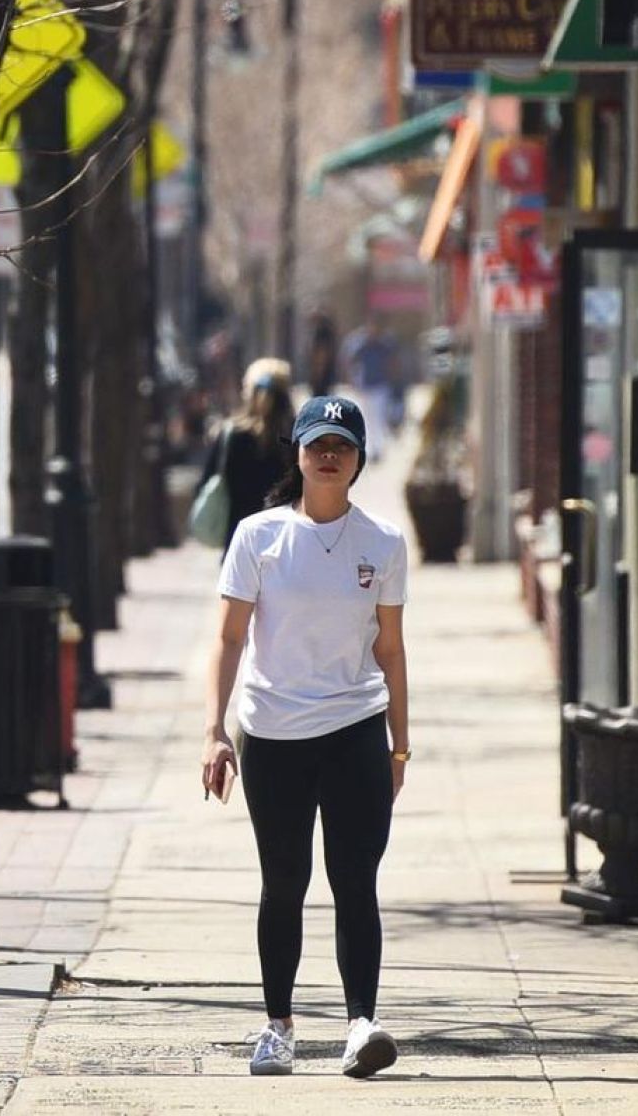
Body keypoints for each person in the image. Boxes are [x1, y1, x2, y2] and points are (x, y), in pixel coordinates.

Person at [202, 394, 410, 1080]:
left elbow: (392, 650)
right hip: (272, 733)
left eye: (342, 446)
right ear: (297, 452)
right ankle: (278, 1026)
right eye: (318, 444)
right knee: (283, 881)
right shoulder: (259, 536)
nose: (329, 455)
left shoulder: (381, 542)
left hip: (354, 730)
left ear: (358, 460)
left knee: (356, 882)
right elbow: (230, 639)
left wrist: (399, 745)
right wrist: (215, 732)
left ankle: (361, 1025)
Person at [195, 358, 295, 553]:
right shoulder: (296, 438)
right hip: (285, 547)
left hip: (238, 545)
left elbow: (205, 482)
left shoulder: (231, 435)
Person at [339, 317, 398, 462]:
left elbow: (393, 363)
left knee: (379, 417)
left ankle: (378, 448)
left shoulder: (384, 344)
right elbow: (348, 360)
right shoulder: (361, 344)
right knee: (367, 419)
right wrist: (351, 380)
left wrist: (392, 379)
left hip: (380, 385)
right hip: (365, 386)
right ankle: (370, 449)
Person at [305, 309, 339, 398]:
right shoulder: (325, 331)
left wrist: (318, 372)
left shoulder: (322, 332)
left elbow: (322, 354)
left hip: (322, 374)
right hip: (324, 373)